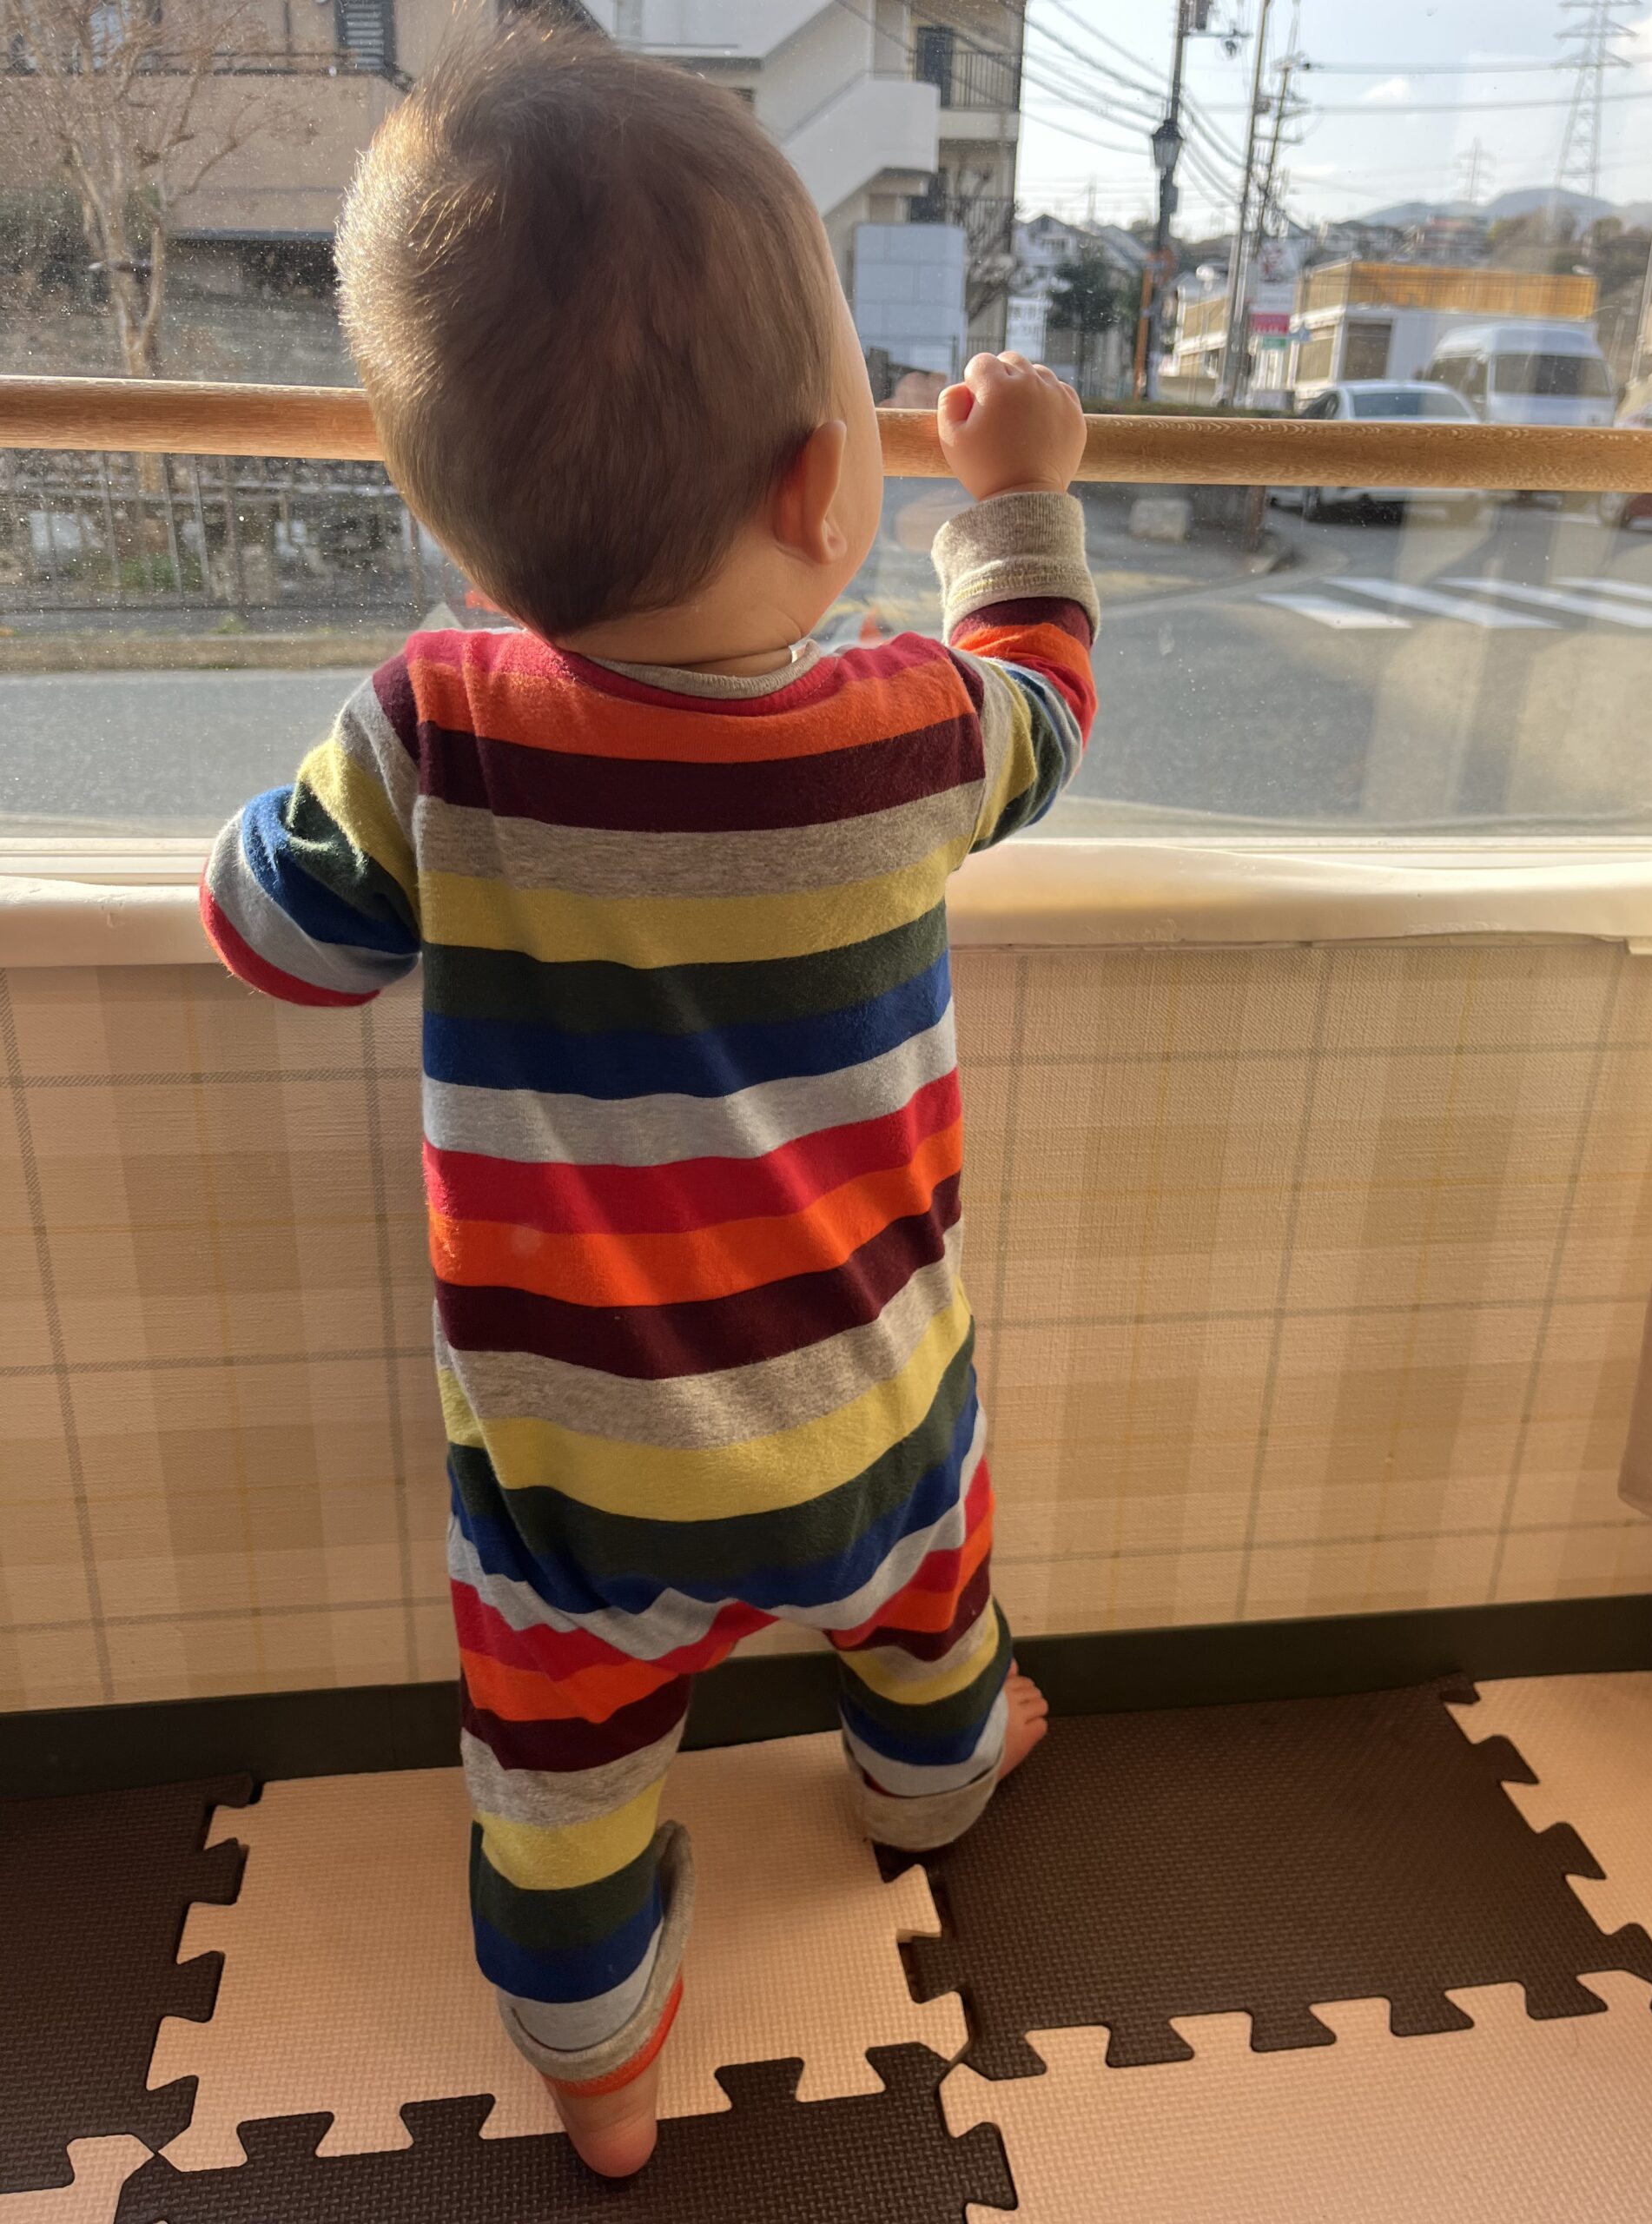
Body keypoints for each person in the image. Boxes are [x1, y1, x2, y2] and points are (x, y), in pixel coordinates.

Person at [201, 20, 1095, 2181]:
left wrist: (293, 828)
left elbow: (271, 934)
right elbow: (1052, 705)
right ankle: (935, 1778)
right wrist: (1016, 497)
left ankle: (599, 2063)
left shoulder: (441, 723)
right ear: (819, 491)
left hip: (578, 1475)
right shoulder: (909, 724)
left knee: (558, 1774)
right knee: (932, 1589)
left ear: (457, 530)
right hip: (871, 1402)